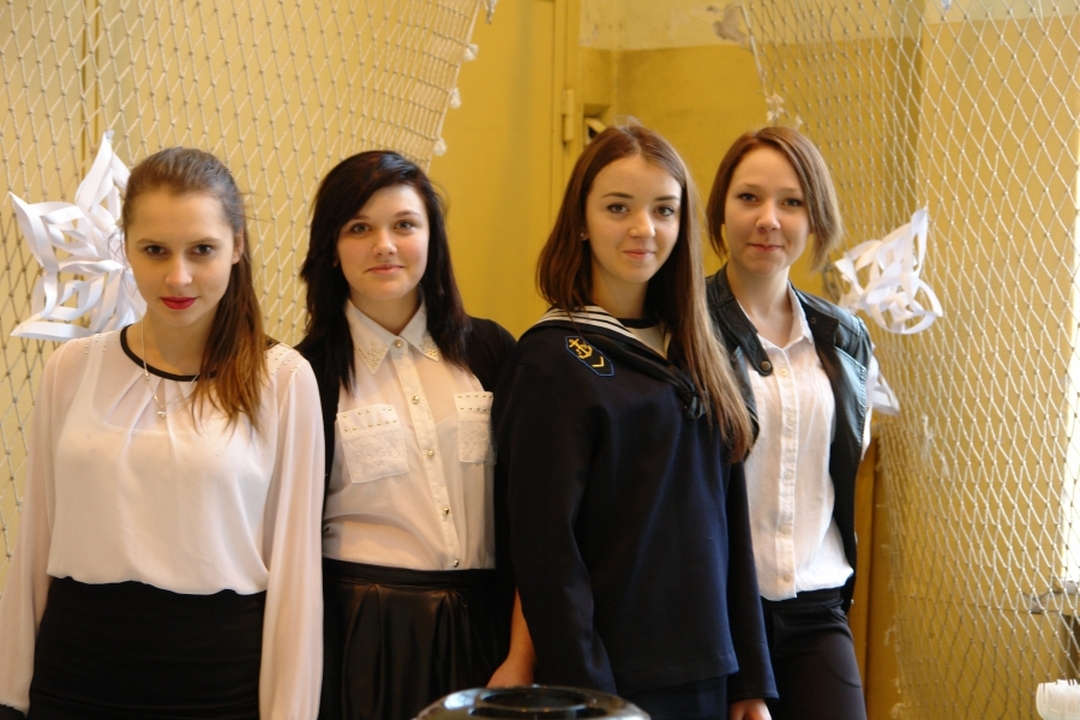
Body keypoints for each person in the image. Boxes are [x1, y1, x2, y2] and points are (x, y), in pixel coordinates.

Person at [0, 147, 325, 719]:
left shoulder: (283, 379)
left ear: (237, 246)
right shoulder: (73, 367)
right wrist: (10, 692)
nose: (178, 276)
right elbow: (37, 540)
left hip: (216, 685)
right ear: (125, 246)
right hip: (72, 673)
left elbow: (297, 571)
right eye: (155, 250)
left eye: (202, 249)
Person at [492, 123, 776, 720]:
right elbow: (546, 552)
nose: (644, 228)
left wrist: (750, 678)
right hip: (613, 679)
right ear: (581, 219)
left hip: (708, 670)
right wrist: (591, 695)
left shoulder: (700, 349)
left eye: (664, 210)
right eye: (618, 207)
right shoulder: (550, 360)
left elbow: (730, 519)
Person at [296, 150, 529, 720]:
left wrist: (522, 656)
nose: (385, 245)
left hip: (486, 629)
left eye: (404, 225)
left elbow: (533, 517)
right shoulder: (303, 374)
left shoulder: (493, 351)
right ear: (330, 247)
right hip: (360, 635)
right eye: (360, 228)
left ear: (432, 238)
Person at [704, 126, 873, 720]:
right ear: (720, 209)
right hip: (717, 611)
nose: (768, 219)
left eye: (791, 202)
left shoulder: (844, 337)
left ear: (814, 217)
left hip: (817, 602)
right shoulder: (685, 326)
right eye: (749, 197)